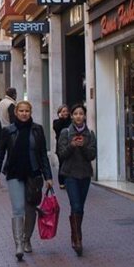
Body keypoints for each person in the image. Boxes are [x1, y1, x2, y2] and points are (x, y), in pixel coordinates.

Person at [0, 100, 54, 261]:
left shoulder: (37, 130)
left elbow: (42, 154)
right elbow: (0, 152)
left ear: (30, 112)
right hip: (14, 173)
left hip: (33, 174)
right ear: (16, 113)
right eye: (21, 111)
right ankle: (19, 244)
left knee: (31, 209)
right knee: (18, 208)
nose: (24, 113)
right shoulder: (8, 131)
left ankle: (27, 238)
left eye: (27, 111)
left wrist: (48, 176)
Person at [56, 103, 97, 256]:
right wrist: (72, 145)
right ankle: (77, 238)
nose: (79, 116)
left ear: (84, 116)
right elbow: (61, 154)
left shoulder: (90, 134)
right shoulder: (65, 133)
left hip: (85, 174)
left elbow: (92, 155)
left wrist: (83, 146)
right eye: (76, 114)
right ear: (72, 116)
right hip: (70, 174)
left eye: (81, 113)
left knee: (81, 207)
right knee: (76, 205)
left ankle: (76, 233)